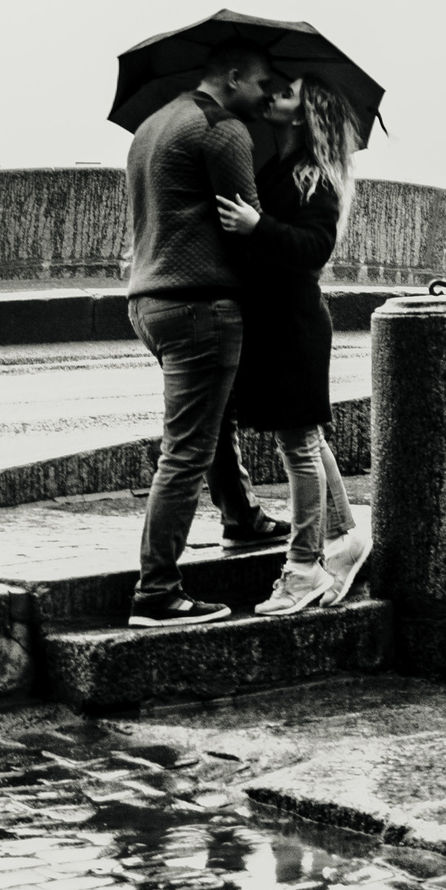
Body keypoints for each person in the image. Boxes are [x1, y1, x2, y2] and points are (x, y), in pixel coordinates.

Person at [124, 43, 291, 627]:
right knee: (186, 451)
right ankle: (157, 592)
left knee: (210, 424)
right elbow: (246, 225)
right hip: (198, 304)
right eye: (264, 83)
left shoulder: (151, 126)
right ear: (234, 73)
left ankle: (241, 515)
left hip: (149, 300)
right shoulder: (223, 131)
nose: (269, 95)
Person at [215, 76, 372, 617]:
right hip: (276, 320)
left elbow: (314, 248)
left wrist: (257, 227)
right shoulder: (277, 167)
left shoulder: (315, 178)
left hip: (294, 323)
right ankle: (344, 536)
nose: (273, 96)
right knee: (304, 435)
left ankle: (304, 567)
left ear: (304, 115)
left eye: (285, 93)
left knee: (299, 445)